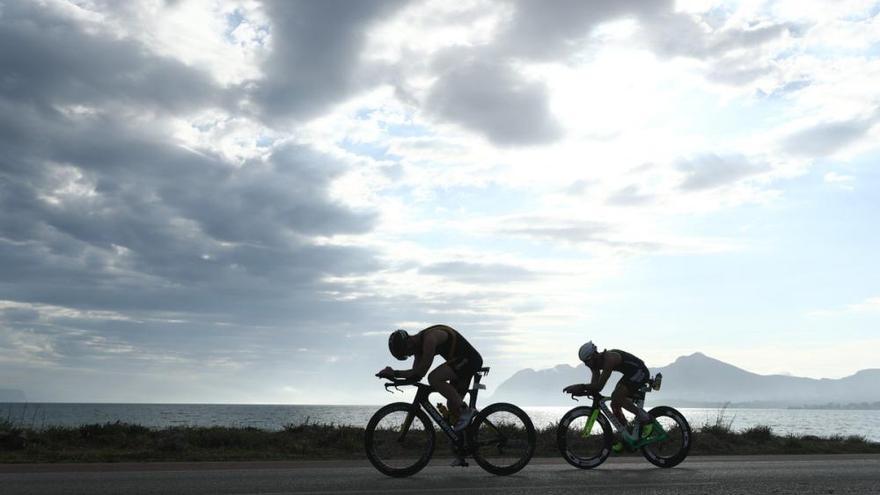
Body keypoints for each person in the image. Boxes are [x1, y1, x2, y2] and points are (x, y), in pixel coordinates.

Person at [377, 325, 483, 433]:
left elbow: (421, 371)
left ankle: (466, 411)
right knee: (452, 405)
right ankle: (468, 442)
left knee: (434, 378)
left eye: (407, 352)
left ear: (408, 343)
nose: (410, 354)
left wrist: (395, 373)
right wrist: (393, 375)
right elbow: (415, 375)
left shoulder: (429, 339)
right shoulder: (418, 348)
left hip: (470, 360)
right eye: (407, 355)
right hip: (461, 363)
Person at [563, 341, 654, 451]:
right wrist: (581, 391)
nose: (587, 364)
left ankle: (647, 419)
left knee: (617, 397)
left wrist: (581, 387)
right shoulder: (594, 364)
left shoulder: (609, 359)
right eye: (584, 362)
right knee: (614, 404)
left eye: (587, 361)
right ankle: (626, 437)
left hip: (640, 371)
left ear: (594, 355)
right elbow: (594, 387)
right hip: (629, 374)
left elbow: (599, 386)